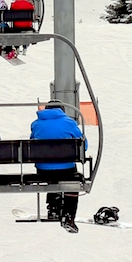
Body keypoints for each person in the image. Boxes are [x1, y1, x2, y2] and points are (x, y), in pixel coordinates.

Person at [31, 99, 87, 232]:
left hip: (43, 170)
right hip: (66, 169)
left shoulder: (36, 124)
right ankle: (68, 216)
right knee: (73, 180)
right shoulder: (69, 123)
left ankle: (54, 209)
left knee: (50, 172)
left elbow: (31, 145)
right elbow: (83, 145)